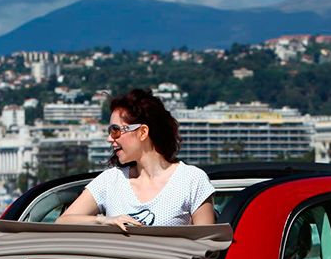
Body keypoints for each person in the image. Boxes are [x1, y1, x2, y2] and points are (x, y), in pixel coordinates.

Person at [58, 88, 215, 230]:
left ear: (142, 132)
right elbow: (63, 222)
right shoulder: (110, 180)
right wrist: (104, 220)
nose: (109, 139)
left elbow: (206, 245)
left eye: (115, 131)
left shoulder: (192, 180)